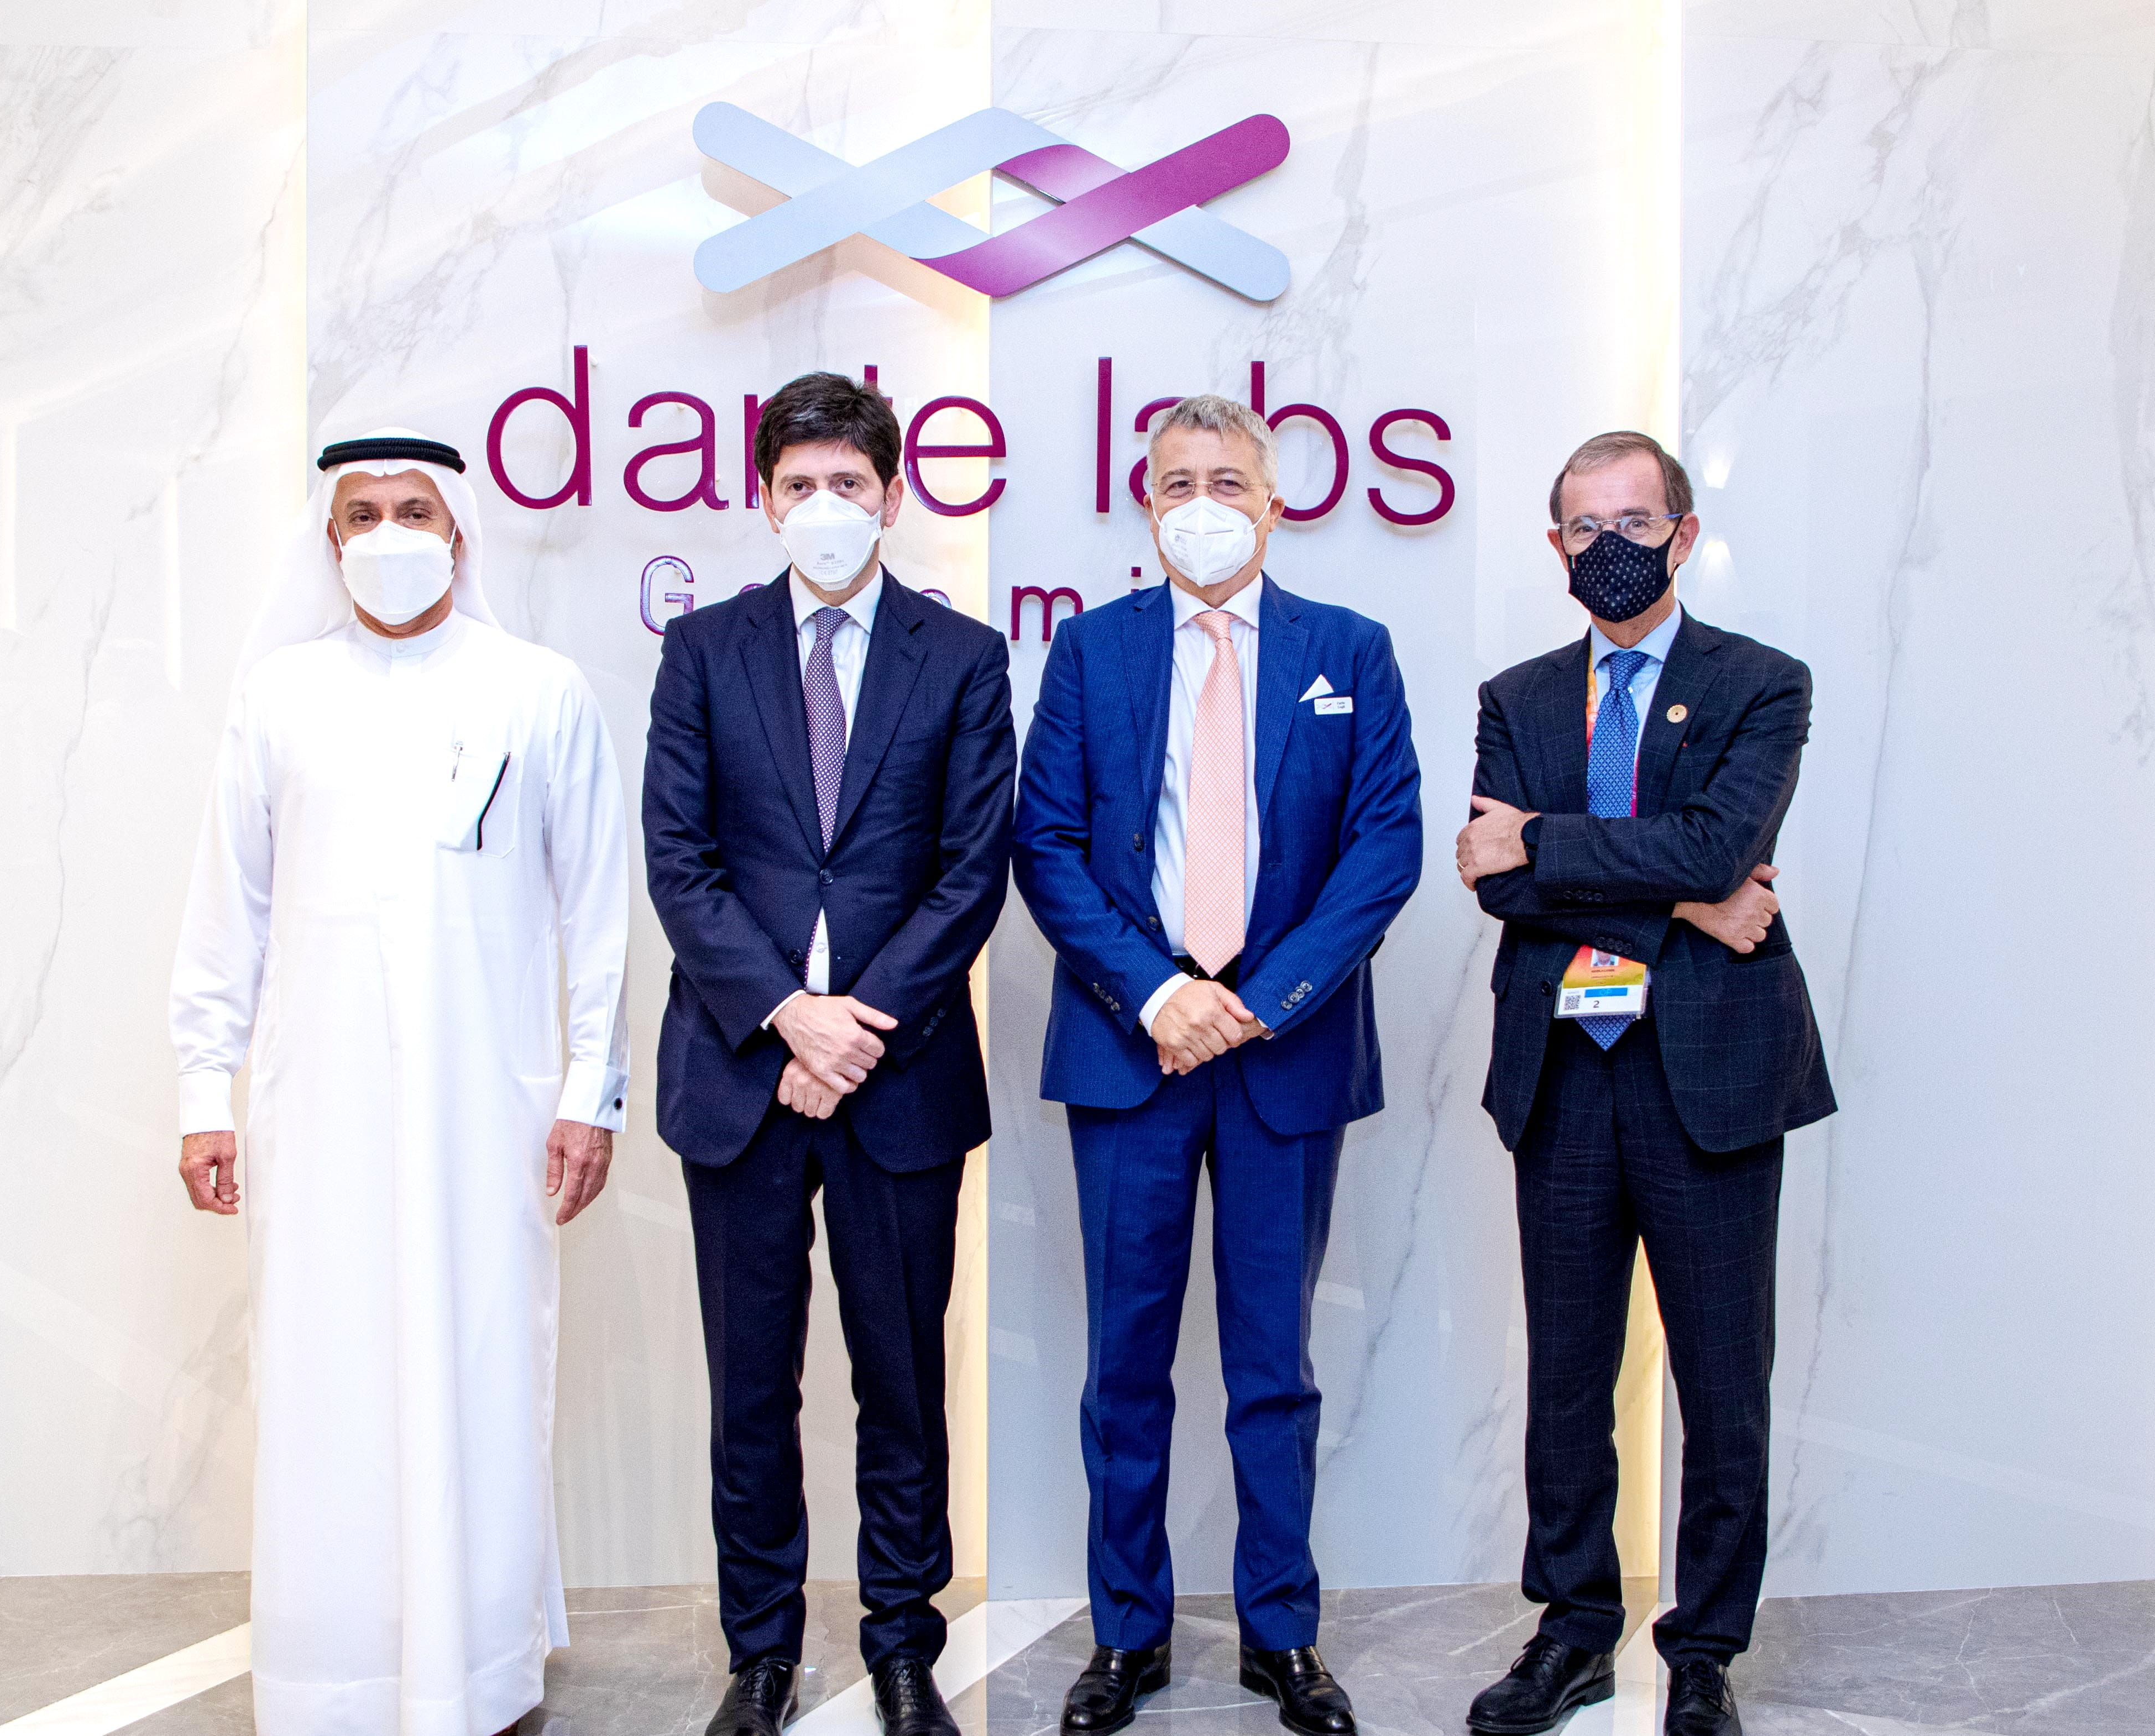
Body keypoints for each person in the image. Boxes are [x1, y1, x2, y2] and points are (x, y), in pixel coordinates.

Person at [169, 429, 630, 1736]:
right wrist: (203, 1091)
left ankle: (478, 1665)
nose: (387, 534)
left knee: (478, 1363)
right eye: (361, 513)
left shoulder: (536, 690)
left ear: (459, 529)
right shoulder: (280, 697)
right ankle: (331, 1671)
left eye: (412, 509)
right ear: (329, 543)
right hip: (314, 1109)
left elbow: (599, 910)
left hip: (488, 1111)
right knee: (326, 1372)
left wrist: (589, 1091)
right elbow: (228, 908)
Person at [1013, 395, 1423, 1736]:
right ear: (1147, 504)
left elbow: (1385, 847)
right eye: (1178, 480)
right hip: (1133, 1049)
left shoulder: (1348, 649)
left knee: (1273, 1367)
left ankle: (1281, 1633)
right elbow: (1046, 843)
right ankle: (1125, 1634)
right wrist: (1155, 992)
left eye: (1228, 480)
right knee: (1124, 1365)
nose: (1204, 502)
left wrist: (1264, 999)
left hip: (1279, 1055)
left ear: (1273, 502)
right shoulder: (1091, 650)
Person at [641, 372, 1016, 1736]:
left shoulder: (961, 655)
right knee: (751, 1386)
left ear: (892, 494)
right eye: (798, 485)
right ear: (762, 498)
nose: (823, 505)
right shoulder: (704, 649)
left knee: (901, 1379)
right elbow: (678, 860)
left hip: (898, 1074)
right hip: (739, 1072)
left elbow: (970, 869)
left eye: (847, 484)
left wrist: (853, 1024)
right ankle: (761, 1651)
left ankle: (904, 1644)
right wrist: (785, 1013)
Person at [1454, 431, 1834, 1736]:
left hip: (1710, 1074)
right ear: (1553, 544)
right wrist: (1683, 900)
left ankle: (1705, 1649)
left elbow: (1720, 841)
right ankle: (1571, 1629)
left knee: (1722, 1383)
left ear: (1681, 531)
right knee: (1567, 1375)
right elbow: (1493, 880)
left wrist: (1557, 846)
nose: (1607, 545)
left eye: (1632, 521)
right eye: (1584, 525)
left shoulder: (1759, 682)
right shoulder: (1515, 697)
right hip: (1561, 1071)